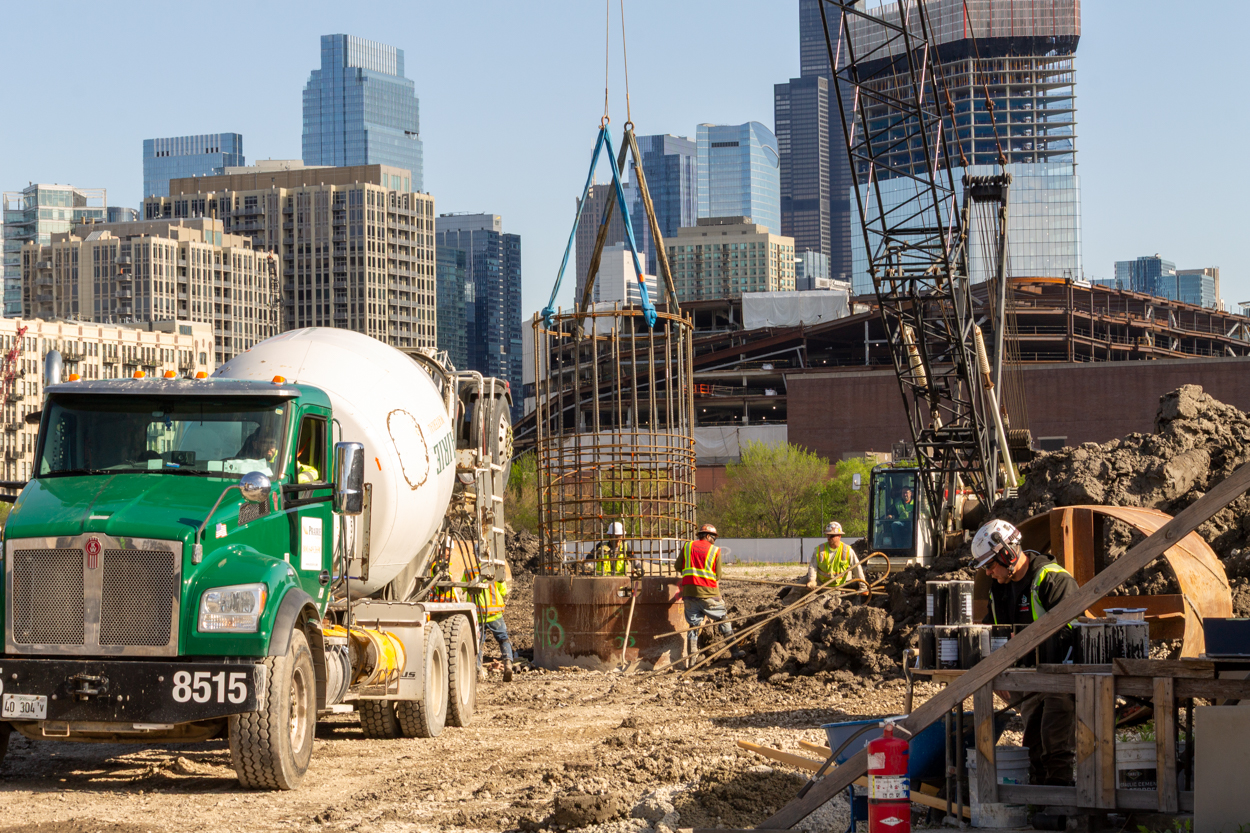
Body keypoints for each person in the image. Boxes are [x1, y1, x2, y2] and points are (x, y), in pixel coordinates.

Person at [972, 518, 1078, 787]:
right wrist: (995, 669)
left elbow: (1075, 632)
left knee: (1055, 743)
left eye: (990, 565)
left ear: (1007, 553)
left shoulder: (1052, 579)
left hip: (1060, 677)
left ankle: (1060, 809)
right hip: (1029, 680)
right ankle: (1040, 806)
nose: (988, 572)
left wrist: (1028, 641)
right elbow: (992, 632)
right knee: (1032, 746)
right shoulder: (1000, 589)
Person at [675, 523, 745, 666]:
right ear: (707, 536)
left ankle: (692, 661)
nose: (714, 541)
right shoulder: (715, 551)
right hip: (709, 594)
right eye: (714, 538)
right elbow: (718, 575)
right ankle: (735, 651)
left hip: (689, 594)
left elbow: (677, 567)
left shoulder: (687, 547)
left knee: (693, 626)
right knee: (723, 618)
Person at [465, 564, 514, 683]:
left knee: (478, 643)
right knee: (503, 639)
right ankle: (508, 664)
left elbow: (464, 588)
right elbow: (502, 590)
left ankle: (477, 670)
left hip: (478, 614)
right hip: (495, 614)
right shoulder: (495, 570)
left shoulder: (469, 571)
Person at [806, 521, 868, 595]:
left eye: (831, 536)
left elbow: (857, 568)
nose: (828, 538)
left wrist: (863, 586)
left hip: (836, 587)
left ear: (839, 536)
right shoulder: (819, 549)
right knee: (796, 589)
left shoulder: (847, 551)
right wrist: (812, 580)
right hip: (819, 583)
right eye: (827, 535)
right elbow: (813, 566)